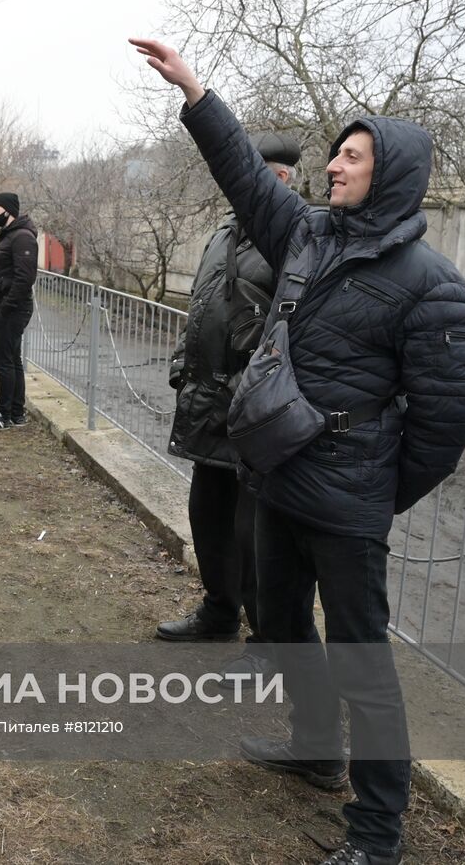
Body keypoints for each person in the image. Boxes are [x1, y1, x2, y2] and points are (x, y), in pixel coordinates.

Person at [131, 37, 465, 865]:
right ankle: (316, 750)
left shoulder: (431, 284)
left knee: (366, 665)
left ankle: (376, 835)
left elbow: (449, 418)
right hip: (280, 482)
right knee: (283, 625)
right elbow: (246, 178)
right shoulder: (311, 237)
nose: (333, 166)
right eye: (335, 155)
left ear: (387, 174)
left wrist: (378, 489)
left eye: (352, 158)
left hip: (349, 503)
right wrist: (194, 92)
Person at [156, 132, 302, 684]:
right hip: (206, 402)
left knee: (254, 536)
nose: (269, 182)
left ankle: (265, 644)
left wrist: (250, 388)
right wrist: (180, 361)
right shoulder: (222, 234)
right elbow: (202, 305)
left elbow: (290, 325)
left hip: (254, 411)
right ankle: (218, 613)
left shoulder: (294, 238)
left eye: (279, 176)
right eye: (262, 172)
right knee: (208, 519)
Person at [0, 192, 38, 431]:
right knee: (12, 360)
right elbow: (4, 273)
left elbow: (24, 279)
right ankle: (17, 413)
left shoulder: (22, 238)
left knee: (3, 361)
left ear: (9, 210)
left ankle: (3, 414)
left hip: (12, 309)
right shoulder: (9, 236)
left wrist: (6, 308)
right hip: (8, 308)